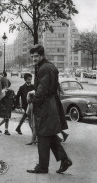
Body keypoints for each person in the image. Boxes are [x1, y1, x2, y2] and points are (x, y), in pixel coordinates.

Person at [26, 44, 72, 174]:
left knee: (42, 135)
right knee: (49, 135)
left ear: (41, 55)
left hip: (45, 106)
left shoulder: (44, 68)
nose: (34, 59)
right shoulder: (48, 66)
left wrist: (33, 101)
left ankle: (43, 166)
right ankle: (64, 160)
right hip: (50, 104)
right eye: (32, 56)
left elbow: (42, 90)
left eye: (36, 56)